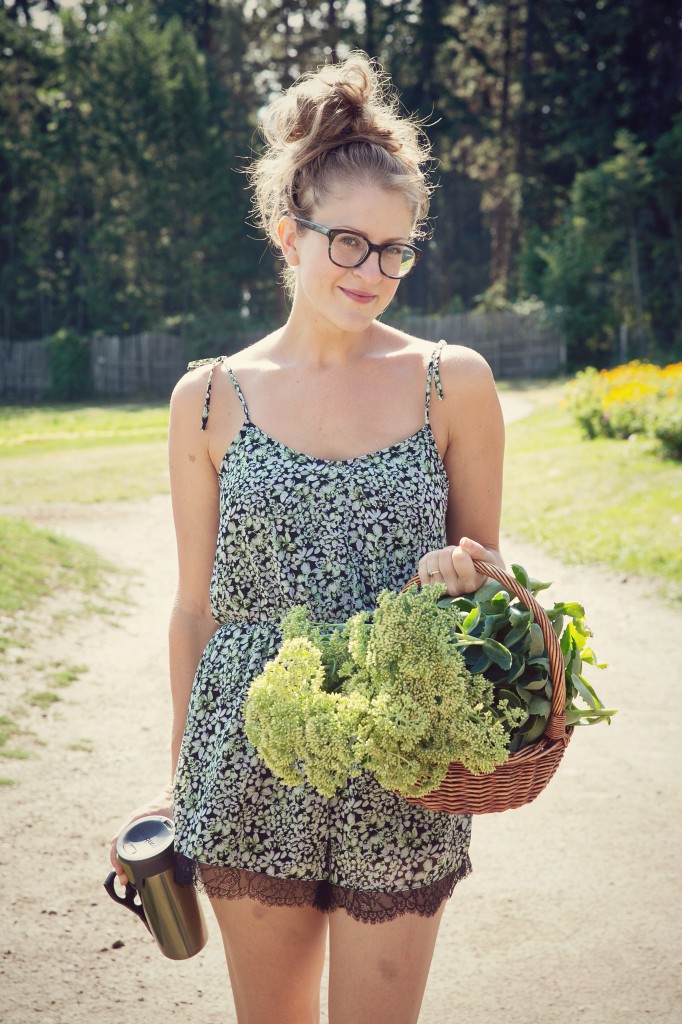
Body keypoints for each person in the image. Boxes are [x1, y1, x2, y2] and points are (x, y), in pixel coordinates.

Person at [110, 52, 505, 1024]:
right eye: (348, 243)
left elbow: (491, 588)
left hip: (404, 763)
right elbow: (195, 605)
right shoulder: (207, 397)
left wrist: (467, 576)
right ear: (290, 236)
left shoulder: (451, 382)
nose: (372, 271)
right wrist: (183, 781)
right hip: (249, 759)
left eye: (395, 248)